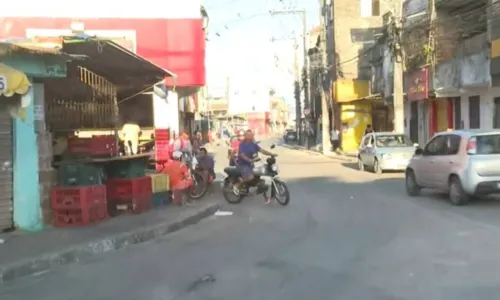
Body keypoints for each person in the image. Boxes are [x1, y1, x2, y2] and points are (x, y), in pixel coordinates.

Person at [236, 130, 276, 202]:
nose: (252, 137)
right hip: (243, 165)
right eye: (250, 135)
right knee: (250, 177)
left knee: (259, 178)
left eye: (252, 135)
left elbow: (262, 150)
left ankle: (265, 197)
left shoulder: (253, 144)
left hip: (251, 164)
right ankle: (239, 183)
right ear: (246, 136)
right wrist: (249, 160)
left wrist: (271, 154)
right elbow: (242, 155)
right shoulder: (242, 144)